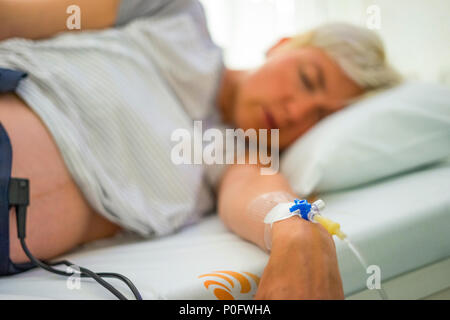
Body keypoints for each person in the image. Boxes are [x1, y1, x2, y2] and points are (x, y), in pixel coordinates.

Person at [0, 0, 400, 299]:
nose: (296, 111)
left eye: (318, 118)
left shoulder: (238, 153)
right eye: (308, 80)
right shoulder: (175, 15)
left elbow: (263, 196)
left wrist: (299, 233)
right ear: (282, 44)